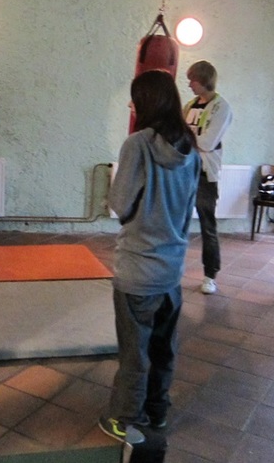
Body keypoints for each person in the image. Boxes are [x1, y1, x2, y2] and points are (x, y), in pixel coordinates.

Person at [99, 70, 200, 446]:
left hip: (137, 270)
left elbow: (120, 204)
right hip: (171, 269)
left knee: (134, 352)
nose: (131, 104)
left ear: (147, 102)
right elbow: (187, 210)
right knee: (163, 347)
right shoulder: (190, 148)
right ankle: (157, 410)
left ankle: (124, 418)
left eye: (134, 98)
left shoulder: (137, 144)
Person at [183, 61, 233, 295]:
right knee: (177, 223)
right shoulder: (189, 106)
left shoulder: (221, 107)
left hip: (205, 174)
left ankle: (210, 275)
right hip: (184, 170)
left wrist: (185, 138)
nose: (189, 85)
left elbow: (207, 142)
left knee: (207, 226)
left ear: (204, 80)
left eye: (192, 80)